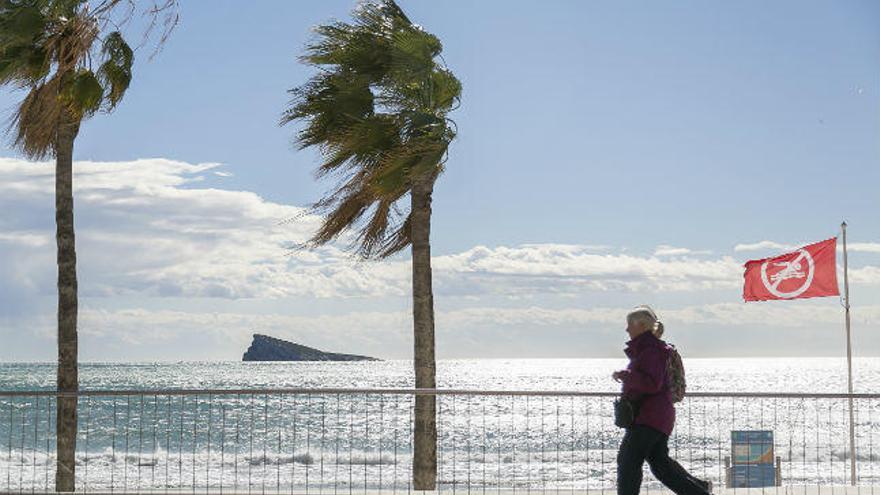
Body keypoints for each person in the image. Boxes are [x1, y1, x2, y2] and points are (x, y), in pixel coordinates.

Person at [612, 306, 711, 495]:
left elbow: (652, 384)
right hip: (657, 417)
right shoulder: (648, 348)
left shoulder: (651, 350)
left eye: (629, 325)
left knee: (628, 462)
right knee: (660, 465)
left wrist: (626, 375)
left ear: (641, 325)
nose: (626, 329)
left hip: (649, 417)